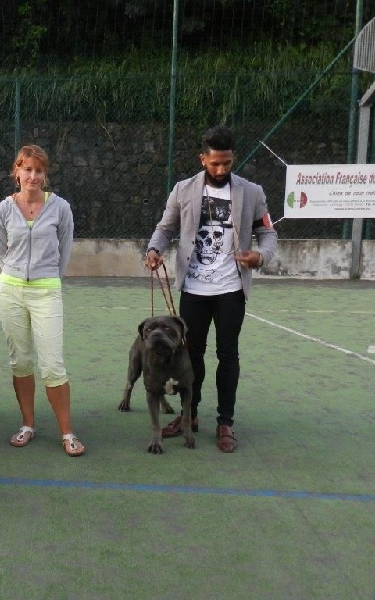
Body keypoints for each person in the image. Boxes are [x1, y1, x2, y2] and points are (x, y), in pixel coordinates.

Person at [144, 125, 277, 453]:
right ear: (202, 158)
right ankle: (190, 416)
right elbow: (165, 228)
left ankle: (225, 422)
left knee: (228, 354)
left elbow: (268, 233)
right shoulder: (183, 190)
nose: (221, 169)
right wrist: (154, 249)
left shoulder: (251, 192)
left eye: (227, 163)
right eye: (215, 163)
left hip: (232, 288)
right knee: (192, 355)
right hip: (194, 288)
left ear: (233, 159)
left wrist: (260, 256)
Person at [0, 144, 85, 457]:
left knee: (53, 365)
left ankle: (67, 432)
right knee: (20, 361)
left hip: (47, 291)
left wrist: (48, 278)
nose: (33, 176)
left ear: (45, 174)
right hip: (10, 291)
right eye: (27, 169)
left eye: (39, 170)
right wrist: (16, 274)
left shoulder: (61, 208)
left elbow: (64, 250)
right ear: (16, 172)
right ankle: (27, 425)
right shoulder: (2, 210)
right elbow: (1, 252)